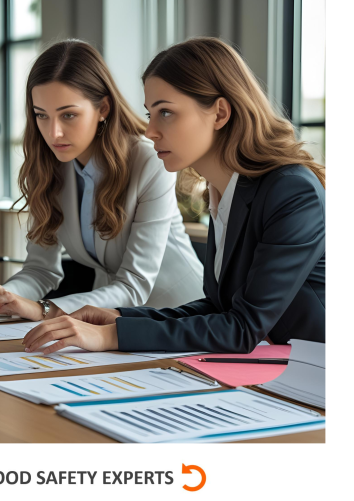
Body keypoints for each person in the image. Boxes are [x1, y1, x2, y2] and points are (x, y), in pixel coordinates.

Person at [22, 37, 325, 354]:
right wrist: (120, 318)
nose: (150, 130)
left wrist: (111, 336)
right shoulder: (225, 190)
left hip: (312, 386)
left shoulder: (292, 191)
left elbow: (243, 327)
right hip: (273, 375)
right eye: (150, 113)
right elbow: (218, 307)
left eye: (165, 112)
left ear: (220, 113)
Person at [0, 40, 204, 321]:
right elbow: (40, 270)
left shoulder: (148, 161)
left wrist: (43, 309)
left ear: (103, 108)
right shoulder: (50, 167)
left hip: (181, 316)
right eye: (41, 116)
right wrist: (1, 298)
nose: (54, 132)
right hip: (109, 318)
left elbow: (134, 285)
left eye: (68, 115)